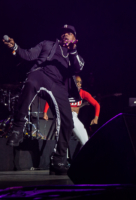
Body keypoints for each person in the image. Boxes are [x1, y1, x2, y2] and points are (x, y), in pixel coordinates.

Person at [2, 25, 85, 175]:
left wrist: (73, 50)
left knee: (68, 121)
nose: (66, 35)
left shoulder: (74, 55)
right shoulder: (47, 44)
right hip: (40, 74)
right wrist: (14, 46)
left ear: (74, 38)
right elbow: (28, 55)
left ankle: (59, 159)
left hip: (58, 85)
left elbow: (78, 68)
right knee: (30, 82)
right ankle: (17, 128)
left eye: (70, 33)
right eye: (64, 33)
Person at [43, 76, 100, 146]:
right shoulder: (65, 92)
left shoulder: (83, 93)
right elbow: (51, 98)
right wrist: (45, 112)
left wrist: (96, 117)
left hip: (73, 117)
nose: (79, 84)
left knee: (85, 140)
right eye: (77, 82)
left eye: (80, 82)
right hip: (63, 117)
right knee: (61, 140)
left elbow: (96, 104)